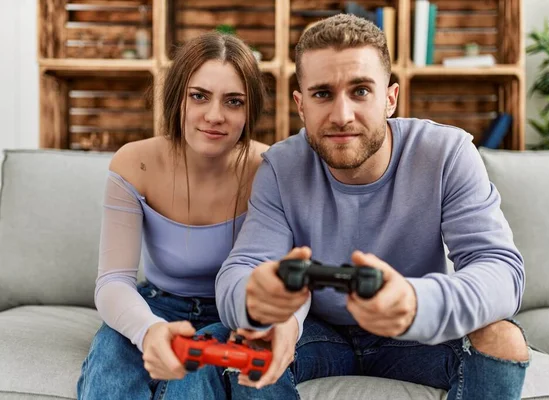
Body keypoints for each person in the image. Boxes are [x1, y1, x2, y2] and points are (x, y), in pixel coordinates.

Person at [208, 13, 531, 400]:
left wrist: (415, 302)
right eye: (322, 94)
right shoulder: (281, 166)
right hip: (317, 332)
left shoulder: (447, 153)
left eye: (360, 91)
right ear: (301, 104)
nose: (342, 116)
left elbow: (501, 270)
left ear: (390, 98)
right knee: (250, 346)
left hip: (414, 333)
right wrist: (264, 306)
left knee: (503, 339)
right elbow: (239, 273)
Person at [76, 31, 269, 399]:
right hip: (155, 302)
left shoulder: (268, 169)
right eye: (199, 96)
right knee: (110, 365)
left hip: (232, 312)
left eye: (233, 101)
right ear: (177, 97)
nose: (215, 116)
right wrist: (148, 330)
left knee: (195, 385)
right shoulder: (135, 163)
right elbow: (114, 280)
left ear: (250, 110)